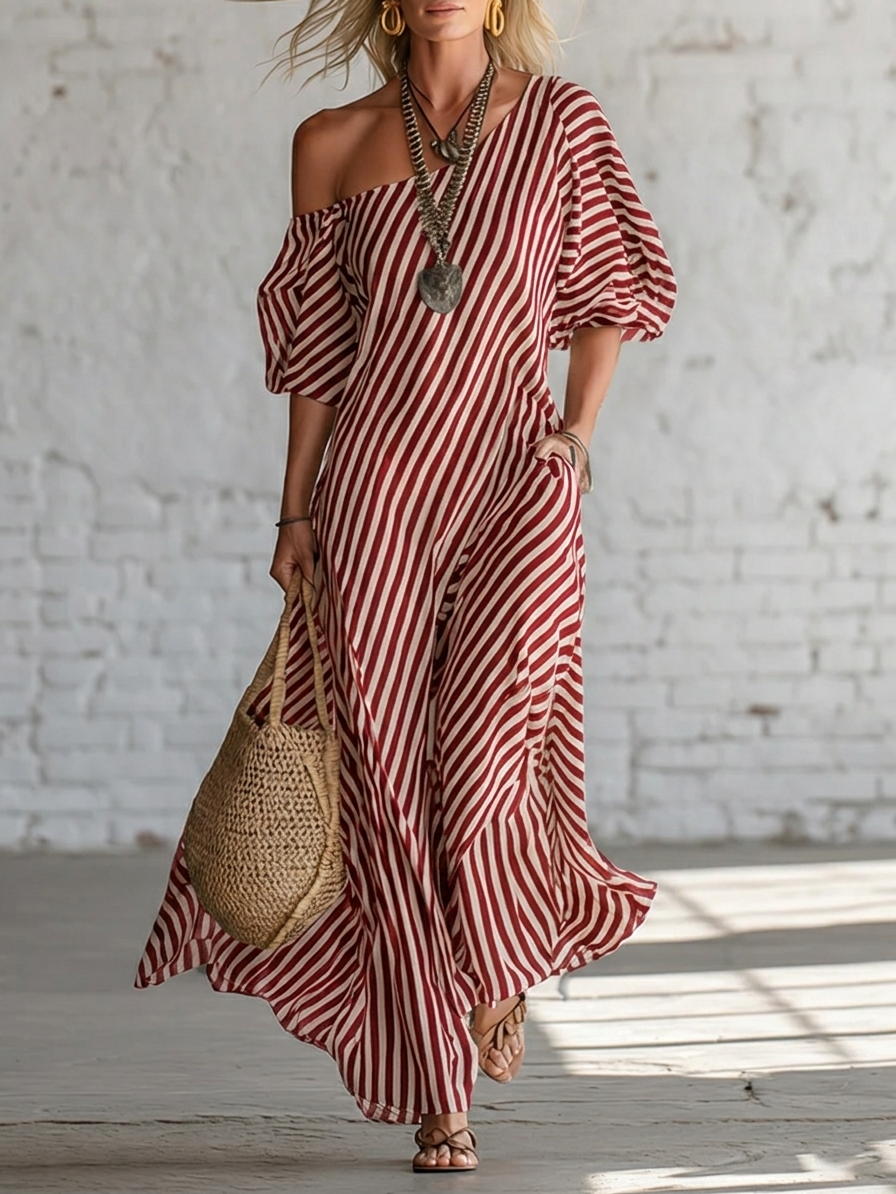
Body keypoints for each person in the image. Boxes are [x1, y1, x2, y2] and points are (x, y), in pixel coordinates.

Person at [136, 0, 676, 1173]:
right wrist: (294, 509)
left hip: (514, 477)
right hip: (374, 488)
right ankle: (440, 1090)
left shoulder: (560, 124)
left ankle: (492, 955)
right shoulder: (329, 142)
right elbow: (317, 353)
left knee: (482, 760)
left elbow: (607, 298)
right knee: (383, 782)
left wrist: (574, 439)